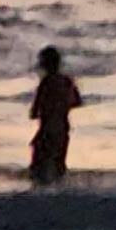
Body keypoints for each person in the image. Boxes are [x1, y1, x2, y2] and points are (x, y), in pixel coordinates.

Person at [26, 44, 82, 184]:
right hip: (63, 129)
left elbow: (34, 112)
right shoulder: (67, 81)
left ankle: (37, 197)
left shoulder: (46, 83)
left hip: (47, 130)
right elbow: (77, 101)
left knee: (38, 164)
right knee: (59, 165)